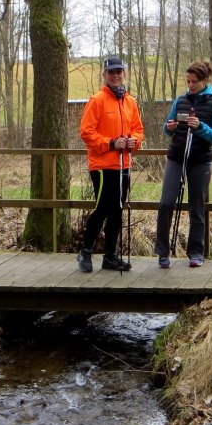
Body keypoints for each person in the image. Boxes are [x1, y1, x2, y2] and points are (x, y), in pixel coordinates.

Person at [154, 61, 212, 268]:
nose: (190, 85)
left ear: (205, 80)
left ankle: (196, 252)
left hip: (200, 161)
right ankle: (162, 252)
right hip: (176, 158)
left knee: (197, 207)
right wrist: (170, 127)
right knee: (166, 203)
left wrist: (200, 126)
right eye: (187, 81)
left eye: (194, 81)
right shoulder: (180, 100)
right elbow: (166, 128)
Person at [77, 57, 144, 273]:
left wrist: (134, 140)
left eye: (119, 72)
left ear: (124, 73)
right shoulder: (97, 100)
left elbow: (138, 129)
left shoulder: (130, 102)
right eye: (111, 72)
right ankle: (85, 251)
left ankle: (110, 256)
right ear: (105, 75)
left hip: (124, 164)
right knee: (103, 208)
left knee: (117, 211)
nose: (116, 75)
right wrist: (111, 143)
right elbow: (86, 132)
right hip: (103, 165)